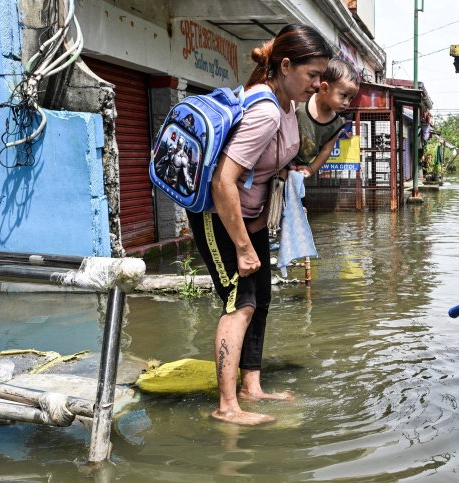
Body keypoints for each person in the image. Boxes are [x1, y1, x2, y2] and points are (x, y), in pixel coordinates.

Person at [186, 24, 332, 426]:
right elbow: (222, 181)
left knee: (261, 298)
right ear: (285, 66)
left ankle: (252, 387)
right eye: (312, 74)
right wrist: (243, 247)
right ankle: (226, 407)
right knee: (240, 303)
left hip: (250, 217)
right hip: (219, 216)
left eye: (322, 75)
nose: (318, 84)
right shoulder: (266, 111)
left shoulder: (285, 105)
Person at [290, 58, 360, 177]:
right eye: (343, 95)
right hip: (278, 160)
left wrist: (311, 169)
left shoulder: (336, 124)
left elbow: (326, 151)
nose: (346, 103)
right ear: (324, 88)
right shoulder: (301, 100)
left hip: (298, 169)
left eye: (351, 98)